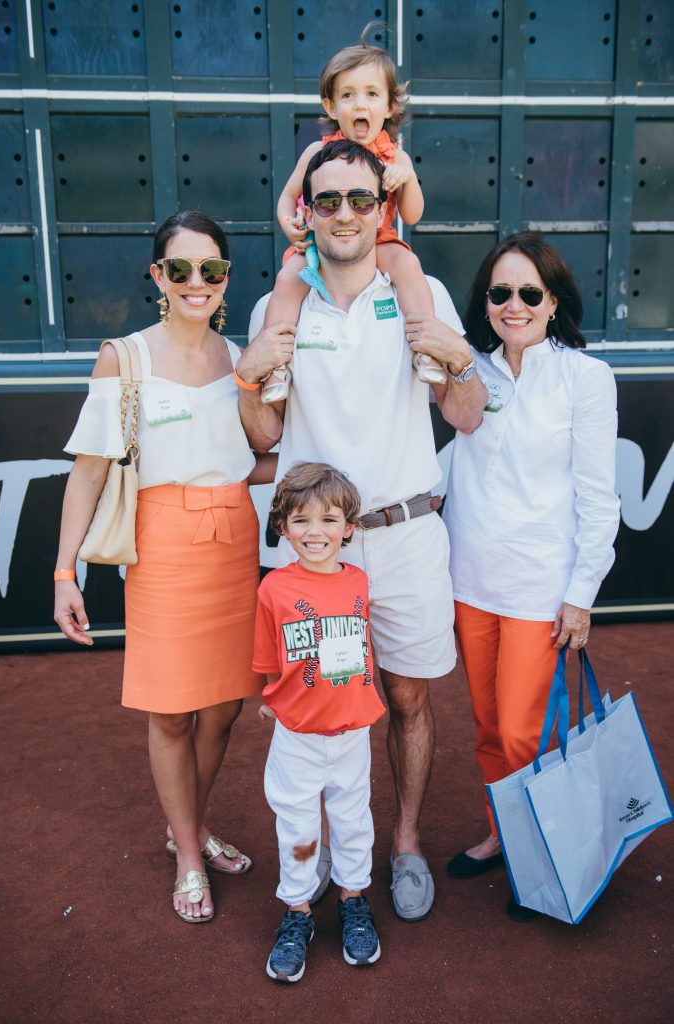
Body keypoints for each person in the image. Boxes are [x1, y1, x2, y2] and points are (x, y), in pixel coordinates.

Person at [235, 140, 488, 922]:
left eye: (360, 199)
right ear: (305, 213)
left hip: (407, 534)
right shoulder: (280, 306)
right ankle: (314, 872)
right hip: (316, 552)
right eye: (329, 200)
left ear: (383, 211)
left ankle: (403, 843)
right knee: (314, 705)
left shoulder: (422, 294)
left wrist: (462, 360)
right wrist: (250, 374)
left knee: (408, 698)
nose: (345, 213)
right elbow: (261, 437)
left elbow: (467, 415)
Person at [53, 211, 266, 924]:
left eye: (211, 269)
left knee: (226, 708)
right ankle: (186, 852)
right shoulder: (126, 357)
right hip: (163, 546)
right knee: (172, 713)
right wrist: (64, 574)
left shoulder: (237, 356)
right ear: (158, 277)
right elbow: (86, 475)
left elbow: (259, 454)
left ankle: (193, 825)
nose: (196, 282)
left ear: (227, 279)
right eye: (180, 270)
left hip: (234, 538)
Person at [442, 232, 620, 921]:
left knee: (522, 733)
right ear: (484, 302)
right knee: (489, 726)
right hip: (469, 579)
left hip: (540, 587)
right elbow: (450, 466)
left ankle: (539, 850)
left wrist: (581, 594)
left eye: (527, 293)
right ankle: (502, 833)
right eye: (499, 292)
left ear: (553, 301)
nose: (512, 305)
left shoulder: (585, 377)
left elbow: (598, 498)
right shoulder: (470, 375)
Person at [259, 25, 444, 403]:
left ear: (390, 106)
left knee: (409, 268)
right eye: (348, 95)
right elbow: (286, 197)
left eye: (372, 94)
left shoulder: (396, 156)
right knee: (288, 279)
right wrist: (288, 222)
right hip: (321, 241)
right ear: (330, 106)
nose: (360, 105)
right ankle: (276, 365)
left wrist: (408, 179)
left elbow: (413, 214)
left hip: (379, 241)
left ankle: (425, 347)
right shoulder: (316, 153)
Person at [254, 462, 385, 982]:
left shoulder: (358, 581)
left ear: (349, 527)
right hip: (297, 737)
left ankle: (354, 899)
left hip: (353, 732)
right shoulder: (274, 589)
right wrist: (271, 697)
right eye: (301, 521)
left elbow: (360, 647)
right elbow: (267, 656)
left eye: (329, 520)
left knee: (354, 821)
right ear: (283, 526)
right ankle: (298, 911)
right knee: (299, 826)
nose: (316, 533)